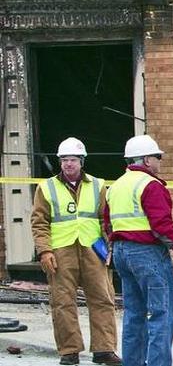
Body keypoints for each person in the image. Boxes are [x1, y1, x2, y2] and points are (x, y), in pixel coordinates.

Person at [103, 134, 173, 366]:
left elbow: (108, 224)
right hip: (147, 254)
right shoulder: (151, 185)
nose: (160, 162)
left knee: (134, 314)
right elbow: (162, 225)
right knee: (161, 314)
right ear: (146, 160)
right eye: (157, 157)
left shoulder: (115, 186)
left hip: (122, 254)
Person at [31, 137, 122, 366]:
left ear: (82, 161)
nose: (68, 164)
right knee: (62, 302)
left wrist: (110, 246)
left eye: (72, 160)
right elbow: (39, 222)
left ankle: (104, 349)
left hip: (93, 250)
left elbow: (106, 220)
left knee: (103, 298)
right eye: (64, 160)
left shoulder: (98, 185)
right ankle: (69, 351)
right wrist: (44, 251)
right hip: (60, 252)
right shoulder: (46, 187)